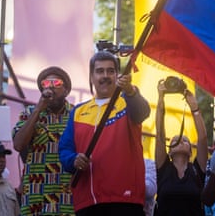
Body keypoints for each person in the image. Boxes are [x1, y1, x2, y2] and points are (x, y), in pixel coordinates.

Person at [59, 50, 150, 216]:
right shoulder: (78, 111)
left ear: (117, 75)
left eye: (111, 71)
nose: (105, 75)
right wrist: (73, 160)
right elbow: (65, 149)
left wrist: (130, 91)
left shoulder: (128, 100)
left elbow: (142, 112)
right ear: (92, 77)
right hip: (87, 201)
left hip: (125, 200)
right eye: (100, 71)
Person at [12, 66, 75, 215]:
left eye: (57, 83)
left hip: (66, 196)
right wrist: (37, 110)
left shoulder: (76, 114)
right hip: (36, 197)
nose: (51, 87)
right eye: (46, 84)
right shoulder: (29, 114)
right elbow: (18, 144)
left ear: (66, 90)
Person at [154, 78, 208, 216]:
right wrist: (161, 99)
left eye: (185, 140)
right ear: (169, 151)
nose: (180, 139)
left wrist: (194, 107)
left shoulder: (197, 169)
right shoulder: (163, 167)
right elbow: (160, 134)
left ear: (191, 151)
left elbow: (202, 138)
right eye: (175, 140)